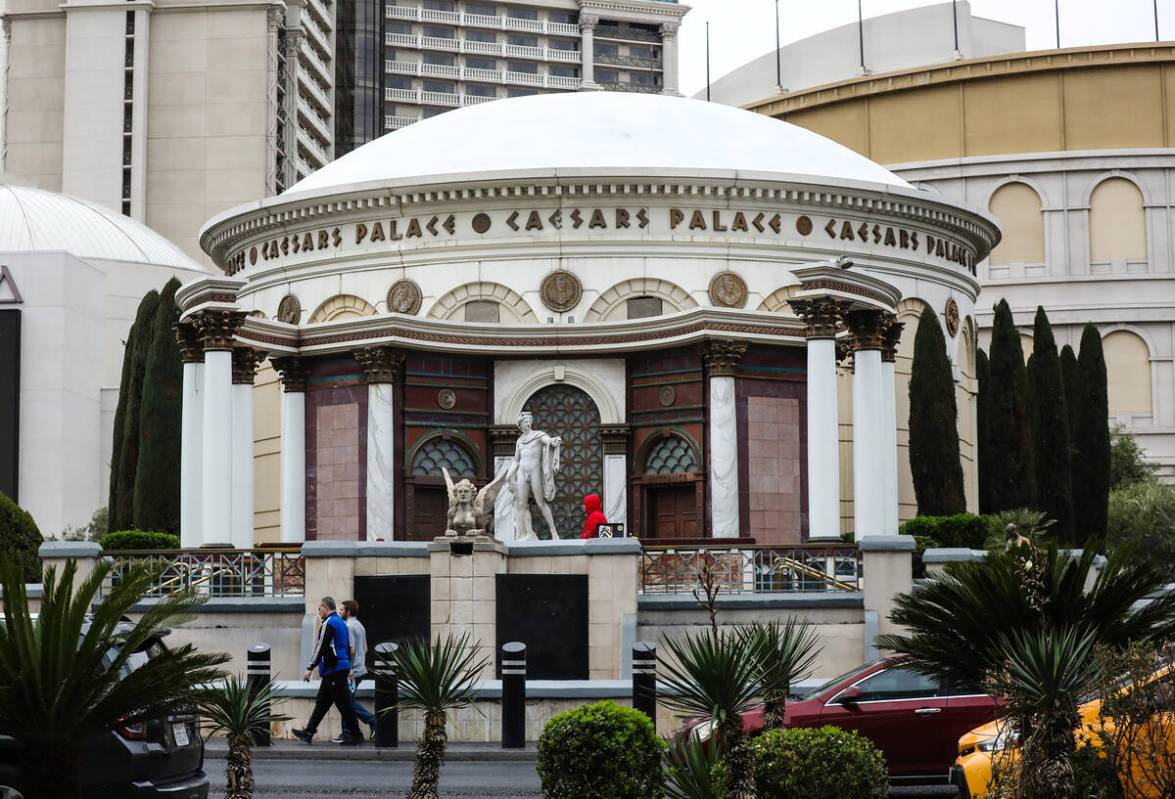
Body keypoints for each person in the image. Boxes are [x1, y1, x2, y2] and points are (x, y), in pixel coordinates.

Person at [292, 596, 363, 745]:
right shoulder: (342, 623)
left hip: (334, 669)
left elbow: (321, 646)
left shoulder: (329, 623)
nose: (319, 612)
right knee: (322, 703)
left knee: (344, 704)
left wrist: (310, 667)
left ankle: (357, 736)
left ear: (325, 607)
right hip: (337, 669)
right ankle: (309, 732)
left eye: (319, 609)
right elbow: (347, 647)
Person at [338, 599, 377, 741]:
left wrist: (345, 667)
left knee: (346, 701)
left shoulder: (348, 626)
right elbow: (365, 649)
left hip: (351, 672)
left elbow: (351, 650)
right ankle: (348, 732)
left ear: (348, 611)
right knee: (347, 700)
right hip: (360, 669)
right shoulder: (360, 625)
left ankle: (371, 721)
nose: (339, 612)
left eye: (342, 610)